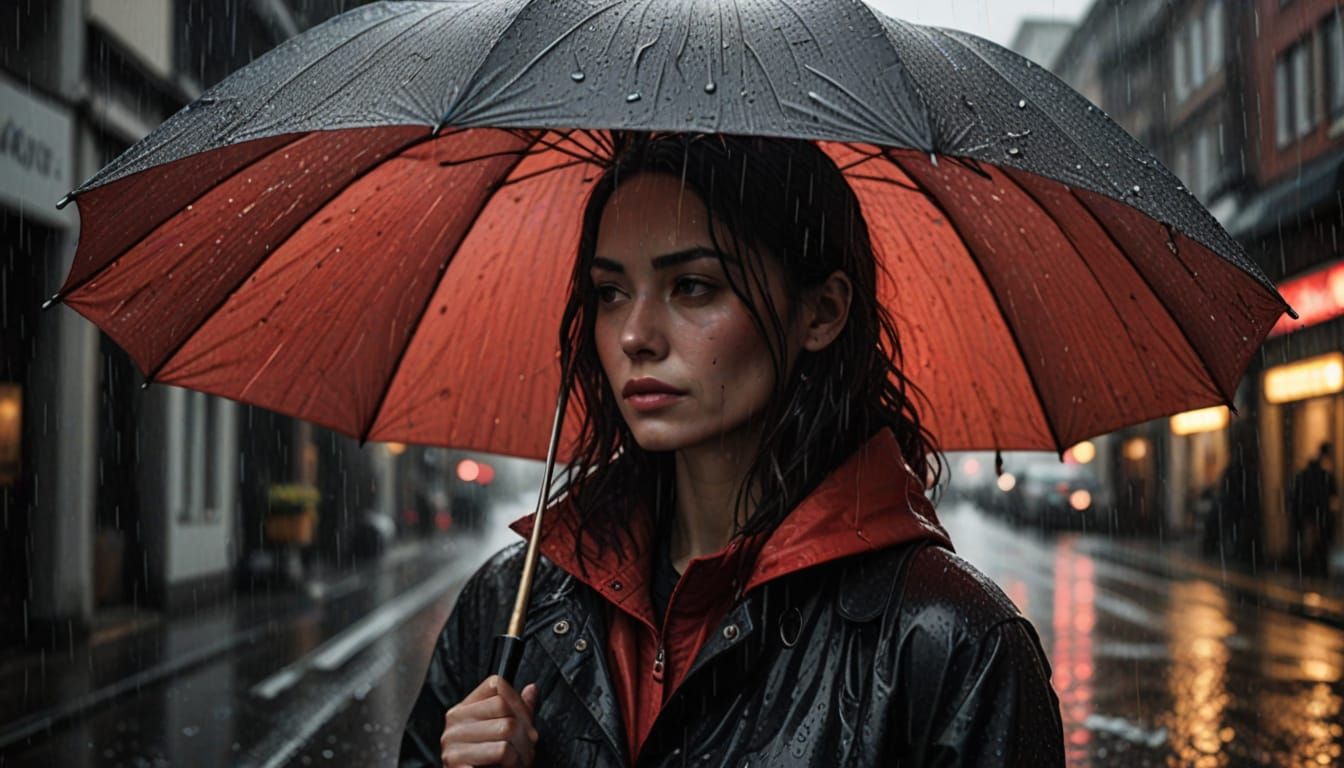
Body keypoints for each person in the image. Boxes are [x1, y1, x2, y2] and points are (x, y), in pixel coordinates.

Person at [399, 134, 1064, 767]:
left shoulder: (951, 643)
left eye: (692, 285)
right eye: (610, 292)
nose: (634, 336)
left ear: (821, 312)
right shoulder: (511, 602)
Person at [1290, 442, 1337, 579]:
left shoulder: (1306, 475)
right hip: (1315, 515)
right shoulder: (1324, 475)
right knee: (1318, 546)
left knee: (1310, 546)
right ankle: (1315, 570)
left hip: (1308, 515)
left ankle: (1308, 570)